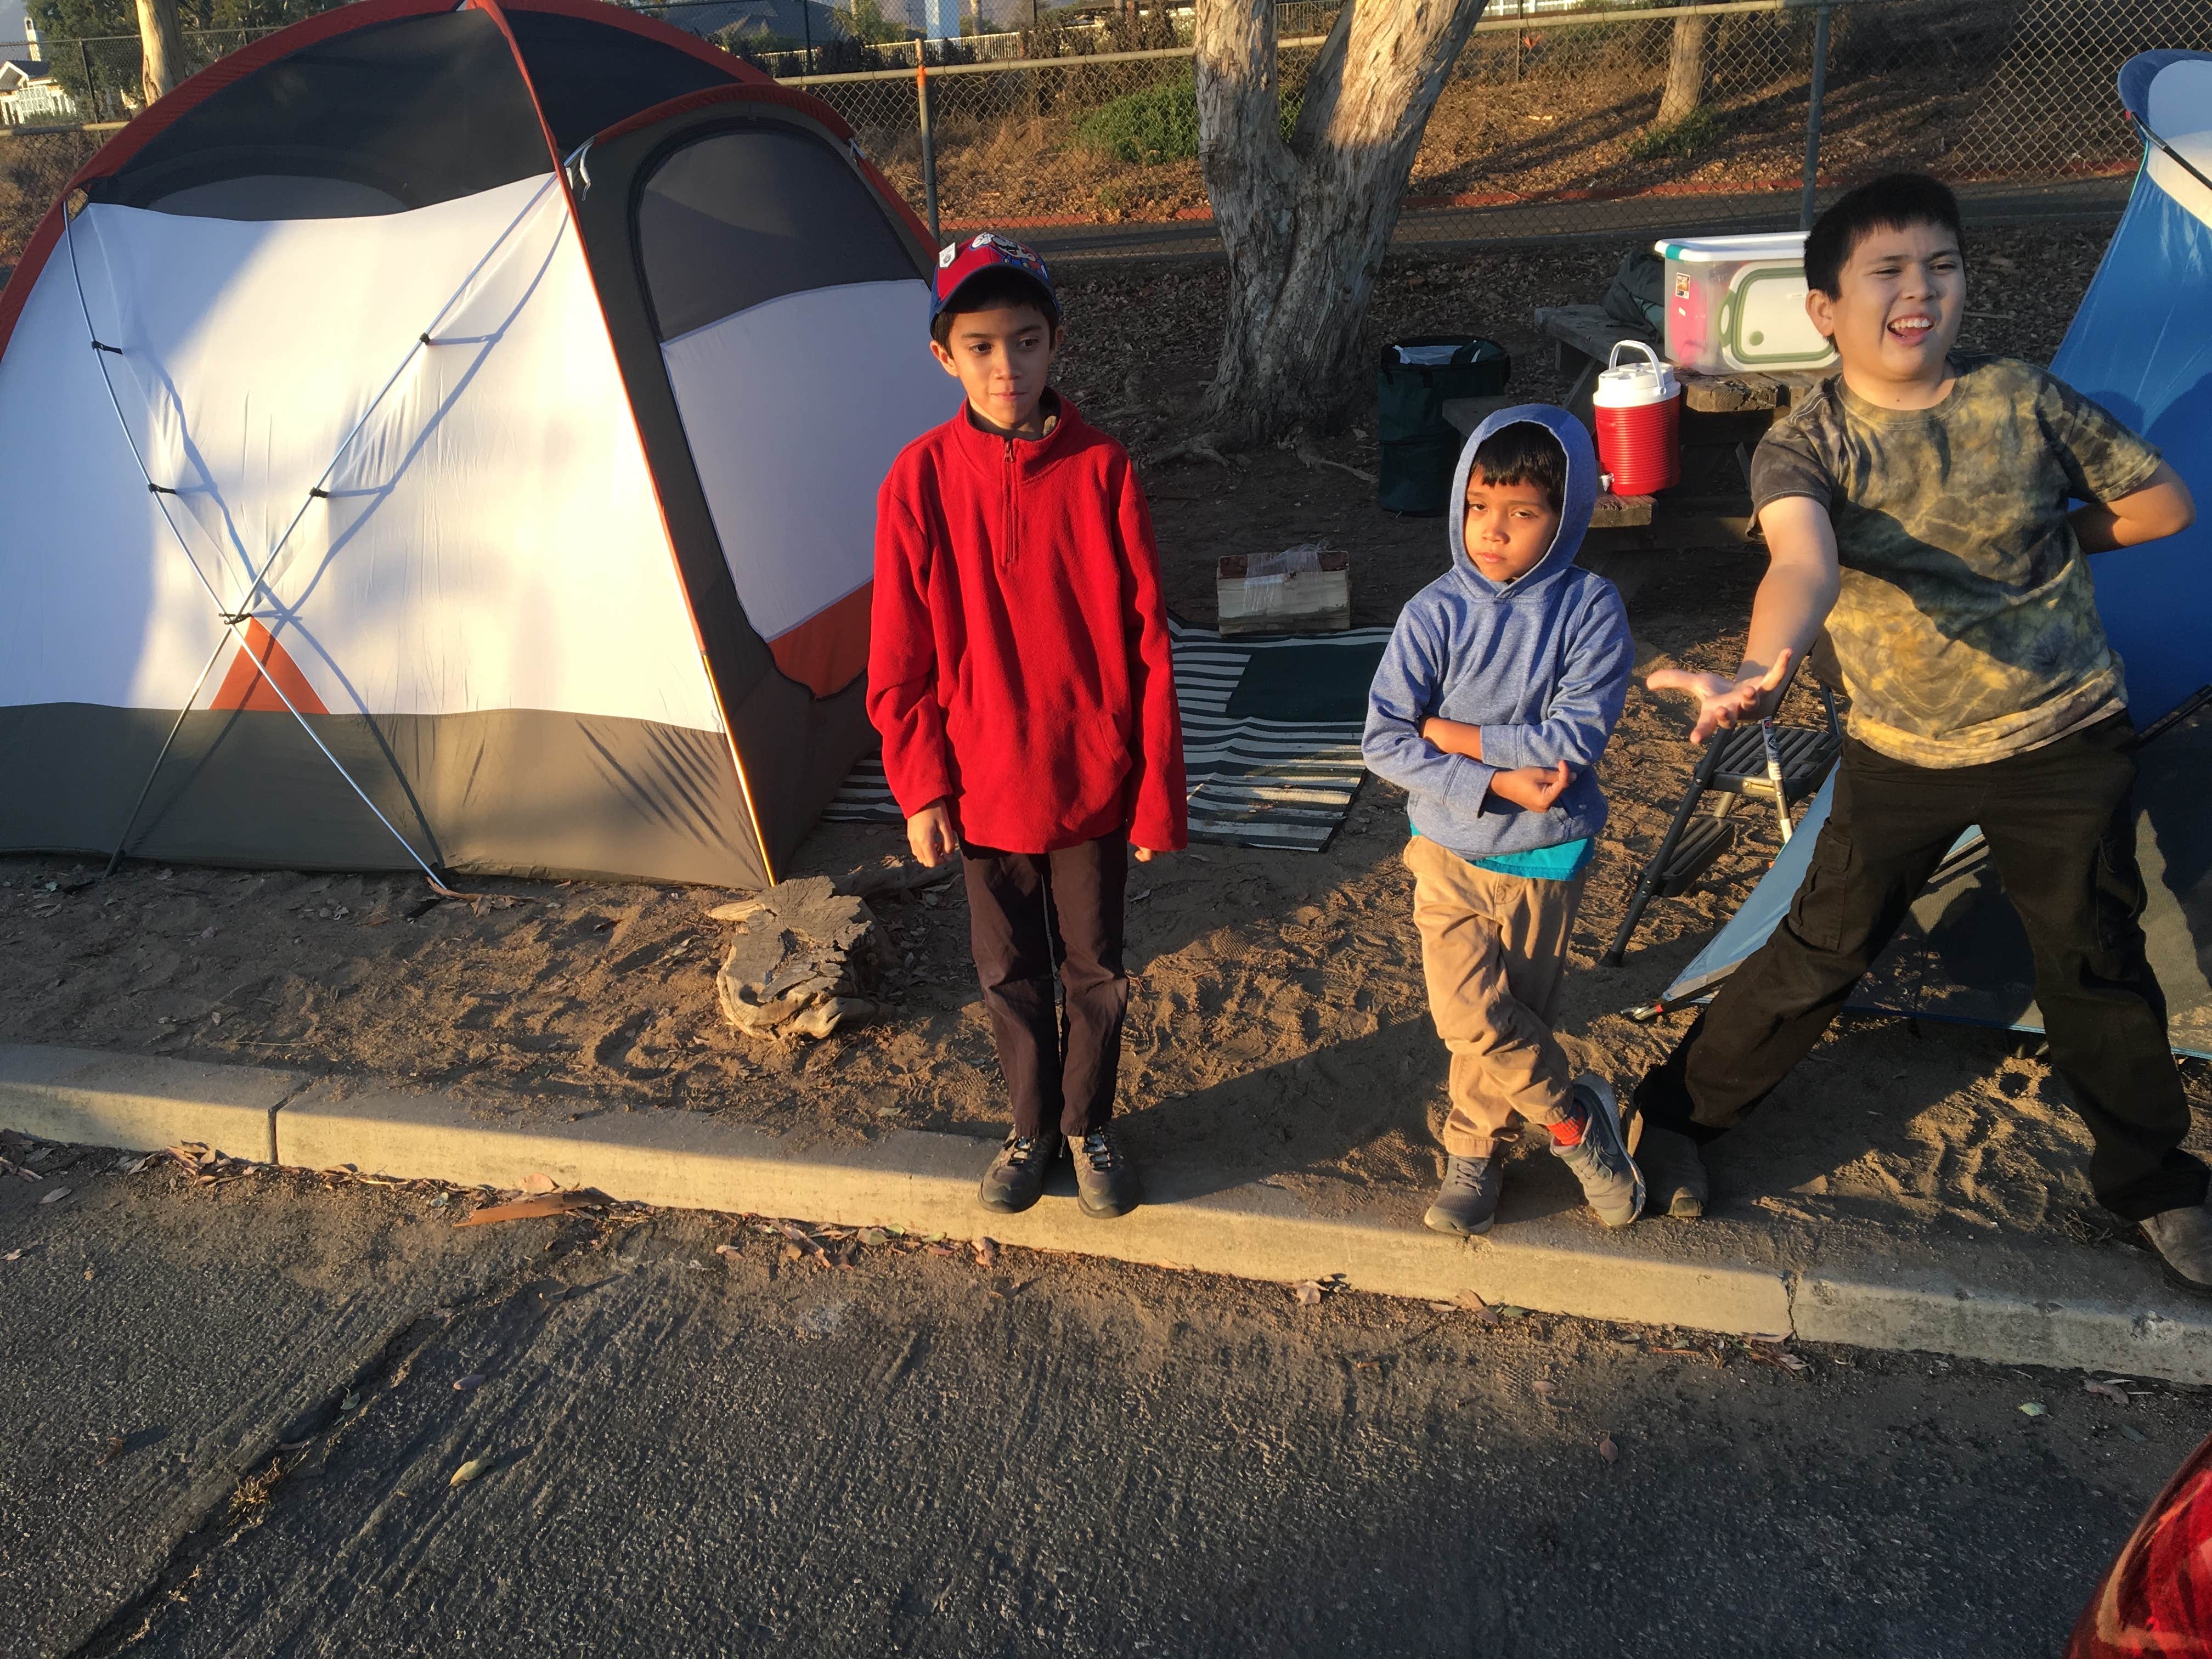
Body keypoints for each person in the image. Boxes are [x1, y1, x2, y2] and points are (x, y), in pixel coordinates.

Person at [1635, 173, 2212, 1293]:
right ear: (1825, 309)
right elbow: (1801, 564)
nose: (1920, 294)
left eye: (1941, 267)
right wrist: (1764, 665)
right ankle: (1670, 1120)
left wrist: (2044, 543)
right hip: (1905, 752)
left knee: (2093, 955)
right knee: (1821, 946)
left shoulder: (2022, 399)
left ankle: (2156, 1186)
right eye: (1888, 274)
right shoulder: (1808, 447)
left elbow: (2162, 508)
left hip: (2065, 737)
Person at [868, 233, 1186, 1221]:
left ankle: (1090, 1124)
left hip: (1091, 774)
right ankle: (1030, 1127)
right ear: (943, 356)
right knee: (1007, 970)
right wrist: (921, 783)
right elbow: (901, 655)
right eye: (981, 346)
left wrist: (1155, 791)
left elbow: (1148, 640)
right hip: (984, 782)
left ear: (1055, 344)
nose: (1007, 367)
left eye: (1026, 341)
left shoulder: (1102, 470)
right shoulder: (917, 483)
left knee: (1095, 968)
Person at [1364, 407, 1643, 1236]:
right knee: (1467, 1015)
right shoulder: (1432, 612)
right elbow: (1383, 738)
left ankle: (1476, 1153)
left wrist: (1451, 735)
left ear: (1566, 516)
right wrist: (1489, 781)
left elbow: (1570, 743)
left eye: (1523, 513)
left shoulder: (1591, 608)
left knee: (1510, 1013)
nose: (1495, 530)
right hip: (1446, 848)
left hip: (1544, 857)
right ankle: (1573, 1122)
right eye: (1481, 504)